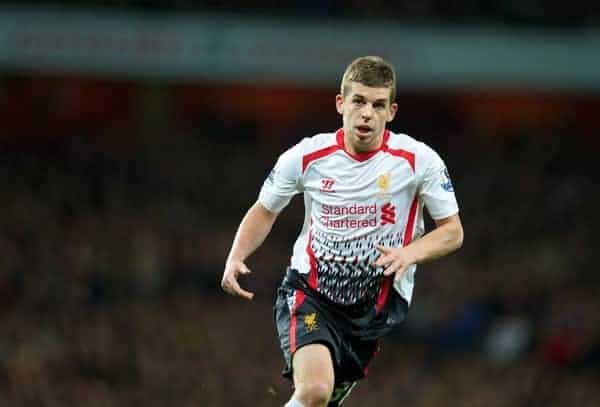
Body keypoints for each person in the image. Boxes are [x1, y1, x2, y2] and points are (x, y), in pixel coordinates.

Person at [221, 56, 463, 407]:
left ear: (392, 111)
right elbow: (264, 209)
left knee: (320, 401)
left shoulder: (418, 161)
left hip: (373, 310)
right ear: (341, 104)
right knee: (315, 390)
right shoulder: (306, 156)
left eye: (378, 105)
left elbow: (453, 231)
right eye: (359, 101)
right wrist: (235, 256)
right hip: (311, 292)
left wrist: (410, 253)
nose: (367, 113)